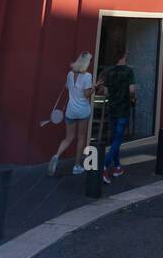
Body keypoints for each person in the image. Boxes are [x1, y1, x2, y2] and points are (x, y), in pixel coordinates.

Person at [48, 52, 94, 176]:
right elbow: (86, 95)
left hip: (70, 111)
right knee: (81, 138)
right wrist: (95, 87)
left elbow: (68, 88)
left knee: (68, 138)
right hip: (83, 110)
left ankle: (57, 155)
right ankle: (77, 166)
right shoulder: (87, 76)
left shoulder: (70, 74)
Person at [98, 45, 136, 182]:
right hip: (123, 109)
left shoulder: (110, 72)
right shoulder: (129, 72)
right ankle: (103, 166)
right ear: (124, 55)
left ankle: (117, 167)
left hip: (112, 108)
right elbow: (131, 90)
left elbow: (106, 92)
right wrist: (132, 96)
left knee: (115, 139)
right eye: (127, 53)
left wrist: (101, 87)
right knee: (118, 140)